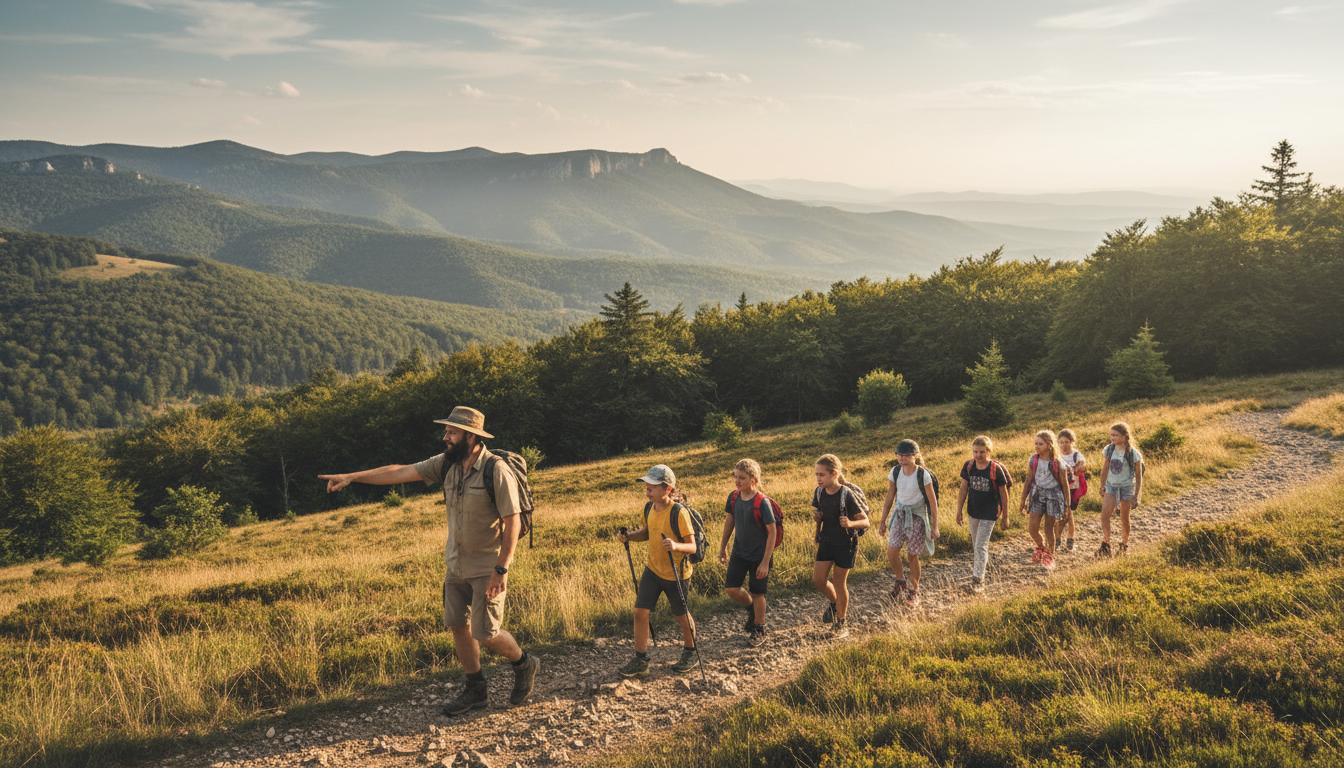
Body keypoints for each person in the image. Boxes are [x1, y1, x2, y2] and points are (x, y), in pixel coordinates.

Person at [318, 405, 539, 715]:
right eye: (446, 431)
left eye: (451, 432)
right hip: (455, 563)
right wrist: (351, 477)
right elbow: (400, 470)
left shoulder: (495, 469)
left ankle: (524, 663)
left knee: (486, 633)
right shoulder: (446, 464)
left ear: (471, 436)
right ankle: (475, 690)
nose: (445, 437)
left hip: (487, 566)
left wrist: (502, 569)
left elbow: (512, 523)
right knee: (457, 626)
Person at [615, 465, 699, 678]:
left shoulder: (679, 513)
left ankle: (690, 652)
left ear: (667, 489)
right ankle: (641, 659)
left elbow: (692, 547)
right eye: (646, 486)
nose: (647, 491)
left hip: (676, 573)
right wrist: (629, 537)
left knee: (680, 616)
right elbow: (646, 533)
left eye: (651, 487)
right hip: (652, 570)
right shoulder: (648, 508)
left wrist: (676, 546)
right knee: (640, 612)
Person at [718, 458, 777, 647]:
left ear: (753, 479)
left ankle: (759, 628)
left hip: (759, 555)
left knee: (758, 592)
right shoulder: (733, 497)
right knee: (731, 588)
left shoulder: (762, 502)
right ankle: (752, 608)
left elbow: (772, 532)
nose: (737, 481)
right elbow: (730, 522)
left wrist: (765, 562)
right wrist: (723, 547)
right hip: (739, 552)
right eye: (735, 477)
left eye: (741, 478)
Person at [810, 454, 869, 638]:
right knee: (818, 580)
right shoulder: (819, 492)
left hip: (846, 543)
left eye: (822, 475)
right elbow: (820, 513)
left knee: (838, 581)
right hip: (827, 540)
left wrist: (850, 524)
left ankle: (842, 623)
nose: (818, 478)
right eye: (817, 475)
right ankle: (836, 603)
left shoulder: (846, 494)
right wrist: (817, 524)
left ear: (834, 473)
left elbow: (865, 522)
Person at [879, 439, 939, 607]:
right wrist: (883, 521)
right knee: (892, 552)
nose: (902, 458)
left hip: (918, 517)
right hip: (899, 515)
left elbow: (932, 502)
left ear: (915, 456)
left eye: (907, 455)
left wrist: (934, 526)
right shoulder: (895, 472)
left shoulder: (923, 474)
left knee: (912, 555)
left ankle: (914, 591)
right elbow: (890, 496)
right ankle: (900, 581)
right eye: (899, 455)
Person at [955, 436, 1012, 593]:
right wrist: (959, 510)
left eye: (982, 452)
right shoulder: (969, 466)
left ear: (988, 451)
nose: (978, 455)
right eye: (975, 452)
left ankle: (978, 579)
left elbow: (1004, 494)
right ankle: (984, 567)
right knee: (977, 545)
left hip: (990, 512)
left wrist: (1005, 516)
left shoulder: (995, 469)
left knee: (980, 545)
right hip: (973, 511)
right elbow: (963, 489)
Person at [1020, 429, 1070, 570]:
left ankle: (1050, 554)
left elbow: (1065, 485)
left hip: (1053, 496)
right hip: (1037, 494)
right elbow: (1029, 480)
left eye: (1040, 444)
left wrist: (1067, 505)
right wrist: (1023, 499)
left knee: (1049, 528)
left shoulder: (1058, 463)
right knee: (1032, 528)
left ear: (1049, 445)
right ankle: (1042, 548)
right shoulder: (1033, 460)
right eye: (1035, 443)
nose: (1036, 446)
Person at [1097, 421, 1144, 557]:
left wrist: (1136, 495)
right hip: (1111, 486)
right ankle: (1106, 544)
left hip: (1126, 488)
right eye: (1111, 435)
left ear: (1124, 436)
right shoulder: (1109, 449)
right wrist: (1102, 485)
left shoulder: (1133, 454)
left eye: (1116, 435)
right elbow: (1105, 468)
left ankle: (1124, 544)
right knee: (1105, 515)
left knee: (1124, 517)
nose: (1112, 438)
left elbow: (1139, 476)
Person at [1056, 429, 1087, 553]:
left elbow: (1083, 463)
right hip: (1060, 488)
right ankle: (1067, 539)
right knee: (1065, 513)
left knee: (1068, 514)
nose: (1064, 445)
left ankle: (1062, 538)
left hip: (1073, 488)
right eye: (1061, 442)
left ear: (1072, 442)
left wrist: (1080, 466)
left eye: (1067, 442)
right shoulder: (1057, 455)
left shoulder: (1076, 454)